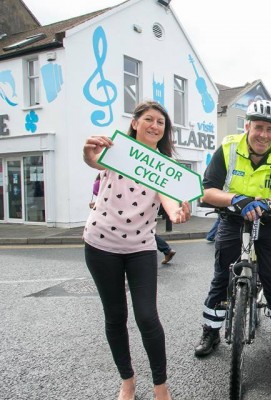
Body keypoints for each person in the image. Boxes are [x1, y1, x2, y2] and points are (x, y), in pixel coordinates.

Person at [82, 101, 191, 400]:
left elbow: (168, 199)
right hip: (100, 244)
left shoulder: (164, 166)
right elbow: (94, 161)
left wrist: (176, 211)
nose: (155, 126)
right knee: (115, 316)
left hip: (141, 247)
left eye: (161, 122)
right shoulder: (117, 149)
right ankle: (127, 381)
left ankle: (160, 387)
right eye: (149, 119)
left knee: (146, 316)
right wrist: (88, 151)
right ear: (135, 122)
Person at [194, 100, 271, 360]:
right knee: (222, 277)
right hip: (233, 220)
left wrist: (268, 203)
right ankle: (211, 331)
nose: (263, 135)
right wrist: (235, 199)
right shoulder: (228, 147)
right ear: (248, 127)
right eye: (259, 127)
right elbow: (206, 190)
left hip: (269, 222)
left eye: (269, 129)